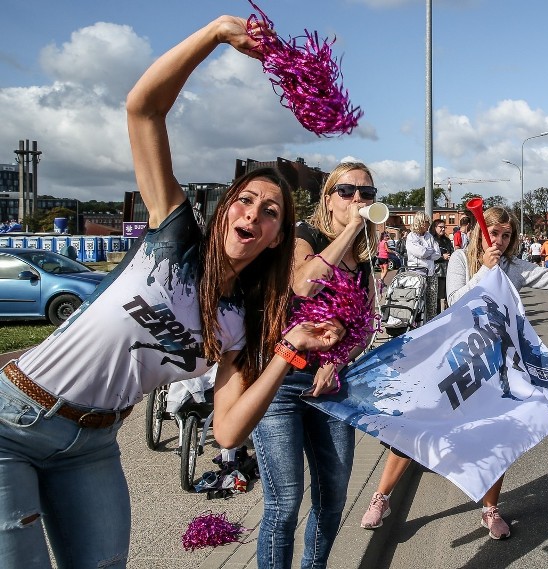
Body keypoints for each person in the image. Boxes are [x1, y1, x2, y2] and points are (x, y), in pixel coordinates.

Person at [0, 16, 344, 568]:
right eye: (245, 200)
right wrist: (213, 35)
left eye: (271, 211)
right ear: (226, 207)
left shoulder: (242, 322)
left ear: (279, 236)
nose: (253, 213)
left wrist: (289, 349)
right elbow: (142, 109)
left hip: (92, 446)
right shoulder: (172, 236)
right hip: (14, 419)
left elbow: (229, 429)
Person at [359, 206, 548, 539]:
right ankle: (382, 497)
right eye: (494, 233)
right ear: (479, 231)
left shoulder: (513, 266)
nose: (500, 241)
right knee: (415, 421)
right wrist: (484, 271)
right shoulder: (459, 259)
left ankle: (490, 510)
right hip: (454, 359)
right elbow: (456, 300)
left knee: (499, 433)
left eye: (506, 235)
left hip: (496, 365)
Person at [253, 161, 378, 569]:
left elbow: (364, 328)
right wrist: (349, 231)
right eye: (347, 191)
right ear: (329, 197)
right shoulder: (302, 235)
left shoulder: (363, 264)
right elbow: (305, 283)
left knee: (334, 494)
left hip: (331, 387)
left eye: (367, 194)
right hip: (281, 380)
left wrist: (339, 360)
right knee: (285, 502)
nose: (358, 199)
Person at [406, 211, 442, 322]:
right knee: (416, 303)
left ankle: (430, 325)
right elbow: (420, 253)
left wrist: (427, 252)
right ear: (420, 222)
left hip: (430, 274)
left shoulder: (429, 236)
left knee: (432, 304)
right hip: (417, 275)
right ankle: (415, 324)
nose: (428, 225)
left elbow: (438, 254)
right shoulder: (411, 237)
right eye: (426, 222)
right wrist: (429, 252)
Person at [430, 219, 453, 314]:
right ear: (435, 227)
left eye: (444, 227)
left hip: (448, 270)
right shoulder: (431, 239)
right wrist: (441, 257)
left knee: (448, 295)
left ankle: (448, 315)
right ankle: (436, 316)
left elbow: (451, 251)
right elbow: (428, 256)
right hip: (437, 271)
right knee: (437, 298)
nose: (443, 229)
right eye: (441, 227)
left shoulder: (446, 240)